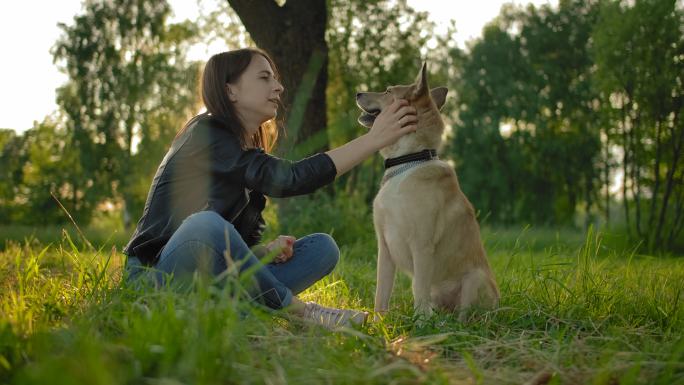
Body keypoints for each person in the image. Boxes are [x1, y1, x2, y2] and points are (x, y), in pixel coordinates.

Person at [123, 48, 417, 329]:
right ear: (230, 90)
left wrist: (264, 252)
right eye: (264, 78)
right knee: (205, 224)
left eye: (275, 78)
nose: (278, 87)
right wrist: (373, 140)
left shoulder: (247, 149)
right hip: (156, 276)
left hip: (213, 280)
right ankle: (303, 312)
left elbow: (231, 250)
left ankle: (230, 307)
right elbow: (289, 179)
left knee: (322, 249)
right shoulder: (206, 134)